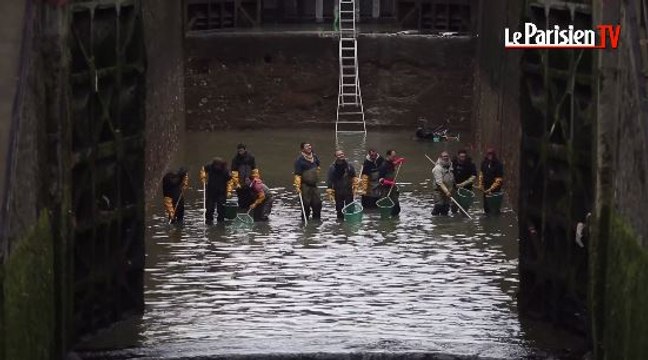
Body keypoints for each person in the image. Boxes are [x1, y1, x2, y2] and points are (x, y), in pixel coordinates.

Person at [326, 150, 359, 220]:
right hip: (338, 192)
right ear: (335, 157)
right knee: (339, 211)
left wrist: (356, 185)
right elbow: (329, 180)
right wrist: (330, 191)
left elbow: (354, 177)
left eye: (342, 154)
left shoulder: (349, 166)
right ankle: (340, 225)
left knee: (350, 209)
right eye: (339, 155)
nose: (341, 156)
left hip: (348, 191)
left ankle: (349, 223)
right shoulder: (332, 168)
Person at [293, 142, 322, 220]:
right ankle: (304, 222)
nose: (309, 147)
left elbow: (318, 167)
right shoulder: (299, 160)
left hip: (314, 186)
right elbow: (297, 175)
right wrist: (298, 187)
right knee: (306, 205)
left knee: (318, 204)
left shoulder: (315, 157)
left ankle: (316, 222)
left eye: (310, 146)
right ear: (302, 149)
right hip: (305, 186)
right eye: (307, 146)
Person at [200, 157, 231, 224]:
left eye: (218, 165)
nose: (217, 167)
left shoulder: (225, 171)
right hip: (211, 192)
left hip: (221, 192)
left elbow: (230, 179)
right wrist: (203, 177)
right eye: (216, 165)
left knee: (221, 209)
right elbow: (203, 170)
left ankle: (220, 222)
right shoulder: (209, 167)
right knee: (209, 208)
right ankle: (209, 221)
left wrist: (229, 191)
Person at [229, 143, 259, 209]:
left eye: (241, 150)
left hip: (249, 180)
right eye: (239, 151)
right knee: (241, 197)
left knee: (250, 196)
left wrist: (255, 180)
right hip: (240, 181)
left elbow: (254, 170)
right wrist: (236, 183)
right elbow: (233, 172)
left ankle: (250, 210)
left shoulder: (251, 157)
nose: (240, 152)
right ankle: (241, 209)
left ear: (245, 150)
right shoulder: (235, 159)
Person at [377, 149, 405, 216]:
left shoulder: (390, 163)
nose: (394, 158)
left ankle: (395, 222)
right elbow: (380, 180)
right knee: (389, 208)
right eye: (393, 157)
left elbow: (392, 164)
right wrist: (390, 183)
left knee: (397, 208)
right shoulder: (383, 166)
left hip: (392, 189)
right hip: (386, 191)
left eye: (395, 156)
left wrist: (399, 161)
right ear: (388, 156)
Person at [478, 148, 504, 213]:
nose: (490, 156)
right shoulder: (484, 163)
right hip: (486, 188)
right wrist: (480, 184)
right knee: (486, 208)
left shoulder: (498, 165)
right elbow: (481, 174)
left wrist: (491, 189)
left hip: (495, 191)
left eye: (491, 155)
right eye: (488, 154)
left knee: (494, 209)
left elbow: (499, 179)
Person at [431, 151, 455, 216]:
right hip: (439, 191)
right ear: (441, 158)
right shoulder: (437, 169)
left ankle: (444, 223)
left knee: (446, 208)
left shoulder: (451, 166)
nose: (446, 157)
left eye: (447, 156)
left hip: (449, 190)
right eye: (444, 156)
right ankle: (435, 218)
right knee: (439, 206)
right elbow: (439, 182)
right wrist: (446, 191)